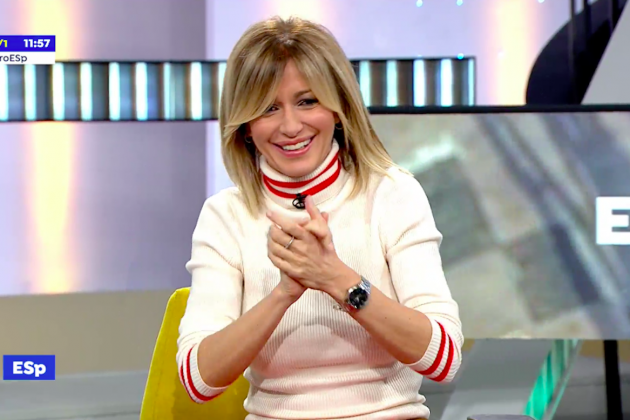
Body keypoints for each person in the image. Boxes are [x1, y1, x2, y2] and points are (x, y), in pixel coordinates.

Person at [177, 16, 463, 420]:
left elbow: (444, 359)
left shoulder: (392, 193)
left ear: (338, 109)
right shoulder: (225, 215)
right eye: (268, 108)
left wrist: (336, 279)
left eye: (307, 101)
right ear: (245, 127)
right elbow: (198, 380)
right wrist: (284, 293)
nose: (291, 126)